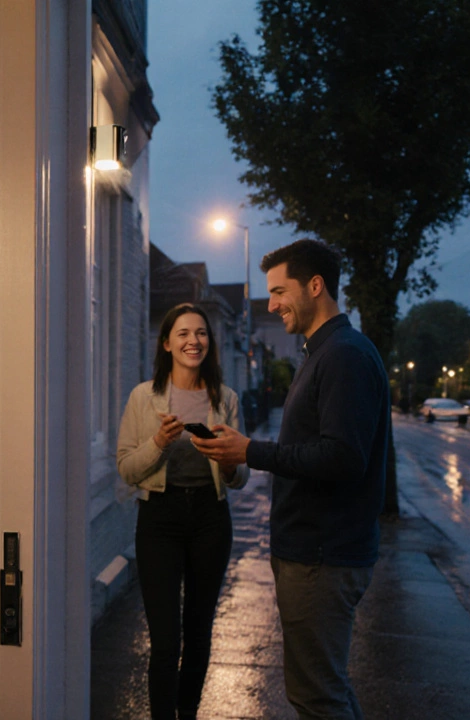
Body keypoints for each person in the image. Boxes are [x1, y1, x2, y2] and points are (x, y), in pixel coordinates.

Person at [191, 239, 389, 720]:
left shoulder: (342, 355)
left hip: (321, 557)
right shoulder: (324, 352)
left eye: (280, 291)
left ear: (315, 286)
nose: (272, 303)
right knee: (327, 690)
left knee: (316, 697)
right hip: (315, 553)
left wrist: (250, 451)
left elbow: (344, 458)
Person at [116, 303, 250, 720]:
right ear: (167, 343)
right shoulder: (144, 396)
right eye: (184, 334)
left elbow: (240, 476)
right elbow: (126, 469)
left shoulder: (225, 398)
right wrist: (158, 441)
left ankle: (187, 712)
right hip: (160, 518)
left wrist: (227, 461)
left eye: (202, 333)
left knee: (198, 631)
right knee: (166, 639)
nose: (194, 341)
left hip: (211, 519)